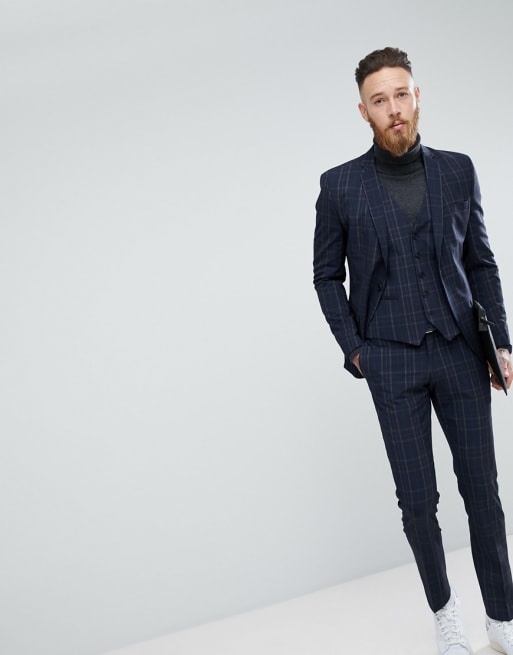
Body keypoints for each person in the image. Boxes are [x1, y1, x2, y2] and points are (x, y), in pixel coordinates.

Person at [313, 47, 513, 654]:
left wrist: (501, 342)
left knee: (483, 492)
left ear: (417, 96)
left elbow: (480, 261)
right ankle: (445, 614)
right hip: (390, 359)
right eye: (380, 100)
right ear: (364, 112)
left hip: (459, 350)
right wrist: (357, 351)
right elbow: (326, 276)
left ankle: (502, 618)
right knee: (418, 501)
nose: (394, 108)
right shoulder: (340, 185)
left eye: (401, 94)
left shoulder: (457, 170)